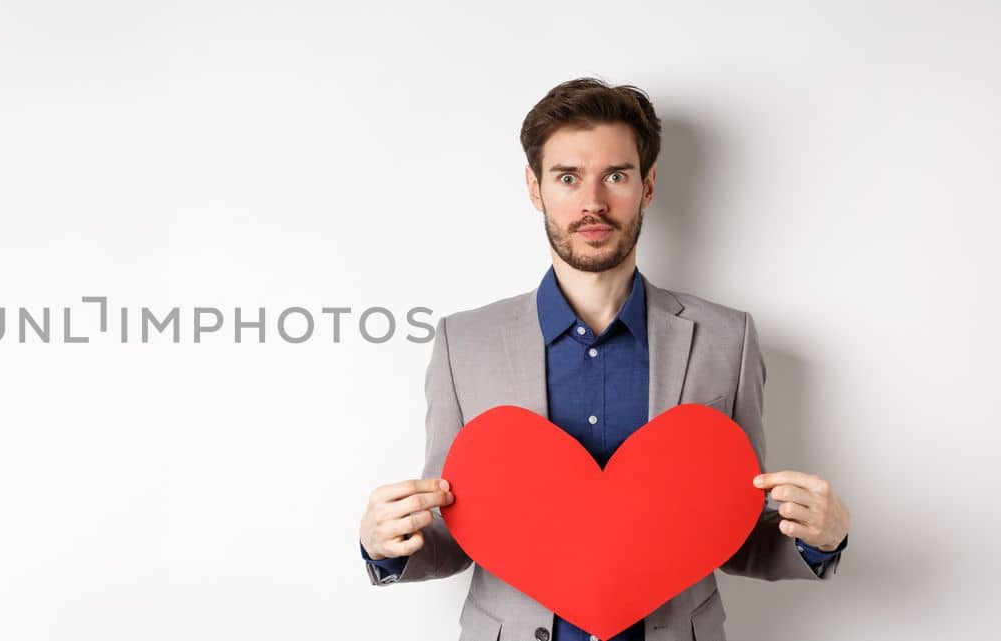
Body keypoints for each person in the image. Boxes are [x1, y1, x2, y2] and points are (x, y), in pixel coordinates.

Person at [356, 78, 851, 641]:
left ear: (648, 185)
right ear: (535, 188)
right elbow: (452, 535)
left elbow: (738, 535)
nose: (592, 201)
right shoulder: (461, 343)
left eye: (615, 176)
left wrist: (818, 539)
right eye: (568, 177)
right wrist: (385, 547)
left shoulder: (728, 339)